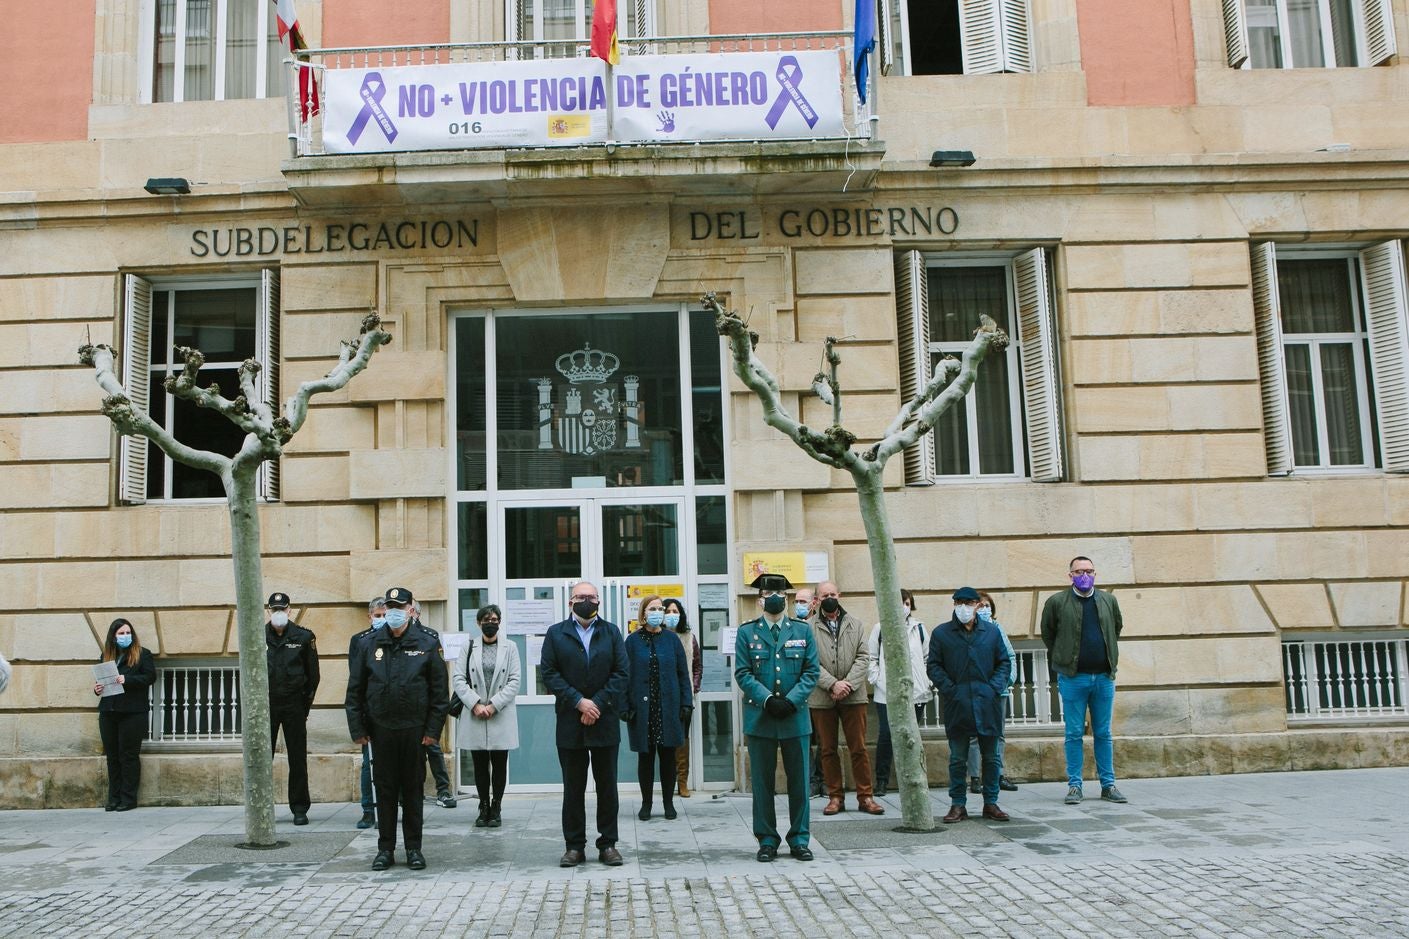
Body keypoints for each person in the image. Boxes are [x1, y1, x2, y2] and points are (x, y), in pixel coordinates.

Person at [345, 586, 450, 872]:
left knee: (413, 791)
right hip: (381, 730)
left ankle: (414, 848)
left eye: (399, 607)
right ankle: (385, 849)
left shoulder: (427, 642)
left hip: (415, 731)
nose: (393, 612)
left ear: (410, 609)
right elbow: (355, 690)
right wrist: (358, 730)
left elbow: (439, 693)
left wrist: (432, 731)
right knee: (386, 791)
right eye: (390, 606)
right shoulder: (369, 644)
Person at [540, 580, 630, 867]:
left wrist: (596, 704)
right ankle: (574, 846)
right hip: (570, 720)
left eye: (591, 597)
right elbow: (550, 674)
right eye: (581, 597)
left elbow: (621, 672)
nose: (586, 601)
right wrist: (579, 701)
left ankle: (608, 844)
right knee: (573, 788)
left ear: (599, 602)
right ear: (570, 602)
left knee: (607, 786)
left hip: (604, 720)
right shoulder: (556, 634)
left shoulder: (611, 632)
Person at [735, 573, 820, 863]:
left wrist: (791, 701)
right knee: (762, 783)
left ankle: (799, 839)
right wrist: (768, 699)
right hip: (761, 718)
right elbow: (743, 673)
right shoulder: (747, 632)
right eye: (769, 594)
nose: (774, 598)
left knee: (800, 783)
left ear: (786, 598)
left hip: (795, 718)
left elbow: (811, 672)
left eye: (780, 594)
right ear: (760, 600)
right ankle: (767, 839)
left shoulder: (802, 631)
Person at [1040, 556, 1128, 805]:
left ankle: (1108, 785)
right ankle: (1075, 786)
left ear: (1095, 573)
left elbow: (1116, 628)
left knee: (1103, 733)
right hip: (1073, 678)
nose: (1084, 575)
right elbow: (1048, 634)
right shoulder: (1057, 602)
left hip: (1103, 677)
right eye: (1079, 571)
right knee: (1074, 732)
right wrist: (1064, 656)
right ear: (1070, 575)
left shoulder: (1108, 600)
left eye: (1089, 571)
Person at [927, 587, 1012, 824]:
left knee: (991, 757)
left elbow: (1004, 663)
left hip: (987, 703)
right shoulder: (942, 633)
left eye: (970, 602)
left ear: (977, 604)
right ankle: (957, 804)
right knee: (958, 758)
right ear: (954, 604)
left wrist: (993, 688)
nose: (965, 607)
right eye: (960, 602)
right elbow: (934, 666)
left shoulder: (992, 633)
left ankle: (991, 802)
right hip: (958, 704)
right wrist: (951, 690)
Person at [808, 581, 883, 816]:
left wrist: (846, 684)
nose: (829, 597)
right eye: (824, 595)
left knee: (858, 748)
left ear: (839, 595)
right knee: (827, 749)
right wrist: (832, 684)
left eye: (832, 593)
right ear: (817, 600)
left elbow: (863, 657)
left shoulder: (856, 624)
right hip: (823, 696)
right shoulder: (808, 627)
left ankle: (865, 796)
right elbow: (809, 661)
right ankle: (835, 797)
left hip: (853, 696)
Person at [625, 595, 692, 821]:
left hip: (668, 707)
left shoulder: (671, 640)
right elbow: (624, 676)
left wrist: (686, 703)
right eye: (653, 608)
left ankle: (668, 803)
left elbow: (683, 674)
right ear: (643, 613)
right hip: (643, 709)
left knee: (667, 757)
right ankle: (646, 803)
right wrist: (624, 707)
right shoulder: (632, 641)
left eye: (660, 608)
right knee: (646, 758)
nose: (658, 612)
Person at [453, 604, 520, 829]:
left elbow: (514, 681)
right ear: (479, 622)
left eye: (495, 619)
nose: (491, 623)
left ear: (500, 622)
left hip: (499, 713)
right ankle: (483, 806)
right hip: (475, 713)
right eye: (487, 619)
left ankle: (497, 806)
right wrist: (475, 704)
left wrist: (493, 705)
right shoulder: (468, 647)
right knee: (480, 764)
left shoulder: (510, 647)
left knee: (499, 764)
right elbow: (459, 679)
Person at [868, 588, 930, 797]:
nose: (903, 606)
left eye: (906, 602)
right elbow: (872, 658)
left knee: (912, 737)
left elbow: (927, 657)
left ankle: (913, 779)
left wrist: (926, 680)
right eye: (899, 602)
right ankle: (882, 780)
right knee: (886, 735)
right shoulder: (880, 628)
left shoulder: (919, 628)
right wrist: (878, 679)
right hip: (886, 694)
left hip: (916, 693)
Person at [265, 592, 319, 826]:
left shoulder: (304, 637)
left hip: (294, 704)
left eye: (282, 609)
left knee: (297, 758)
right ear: (269, 611)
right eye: (274, 609)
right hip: (266, 706)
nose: (278, 613)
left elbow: (313, 676)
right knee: (262, 758)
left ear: (289, 610)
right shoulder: (257, 635)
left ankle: (299, 808)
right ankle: (262, 808)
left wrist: (303, 706)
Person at [92, 618, 155, 812]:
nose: (125, 636)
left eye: (128, 633)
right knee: (112, 756)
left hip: (132, 712)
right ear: (113, 636)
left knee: (128, 755)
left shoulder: (142, 654)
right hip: (109, 710)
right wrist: (97, 689)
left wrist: (126, 679)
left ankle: (128, 798)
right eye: (121, 634)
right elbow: (101, 682)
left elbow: (150, 677)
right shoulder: (106, 655)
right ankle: (114, 798)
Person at [967, 592, 1019, 794]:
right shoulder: (968, 631)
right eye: (980, 606)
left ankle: (997, 775)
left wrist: (1007, 681)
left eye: (988, 605)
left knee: (998, 734)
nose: (984, 609)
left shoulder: (997, 629)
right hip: (975, 692)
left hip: (998, 692)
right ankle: (975, 777)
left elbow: (1010, 657)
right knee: (973, 735)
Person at [410, 600, 457, 809]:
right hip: (407, 708)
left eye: (409, 609)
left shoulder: (430, 637)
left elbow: (438, 675)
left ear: (417, 614)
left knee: (434, 748)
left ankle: (443, 790)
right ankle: (412, 792)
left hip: (427, 706)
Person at [351, 596, 387, 830]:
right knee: (368, 764)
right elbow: (356, 680)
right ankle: (368, 809)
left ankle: (394, 806)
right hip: (370, 711)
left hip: (393, 712)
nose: (382, 620)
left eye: (385, 615)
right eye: (378, 616)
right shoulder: (360, 641)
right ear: (369, 616)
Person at [665, 598, 703, 799]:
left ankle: (682, 782)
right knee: (665, 741)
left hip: (684, 697)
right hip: (663, 697)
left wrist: (693, 687)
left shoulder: (689, 637)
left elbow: (697, 665)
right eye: (668, 611)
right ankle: (668, 781)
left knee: (681, 739)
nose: (672, 615)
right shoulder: (658, 636)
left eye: (675, 611)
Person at [793, 586, 823, 799]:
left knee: (825, 741)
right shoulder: (792, 627)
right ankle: (811, 781)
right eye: (796, 601)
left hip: (822, 692)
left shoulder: (820, 626)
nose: (798, 605)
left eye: (803, 601)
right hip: (800, 694)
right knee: (805, 741)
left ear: (814, 603)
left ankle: (824, 779)